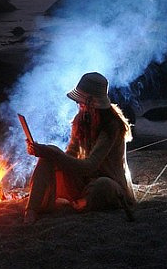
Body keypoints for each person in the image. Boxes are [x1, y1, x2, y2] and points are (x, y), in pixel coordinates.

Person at [23, 72, 135, 224]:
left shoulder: (111, 126)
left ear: (91, 103)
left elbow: (90, 166)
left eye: (81, 102)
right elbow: (71, 155)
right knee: (48, 157)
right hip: (84, 181)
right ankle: (32, 209)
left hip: (110, 185)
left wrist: (54, 154)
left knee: (103, 185)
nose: (79, 105)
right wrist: (47, 153)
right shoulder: (80, 120)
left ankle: (83, 202)